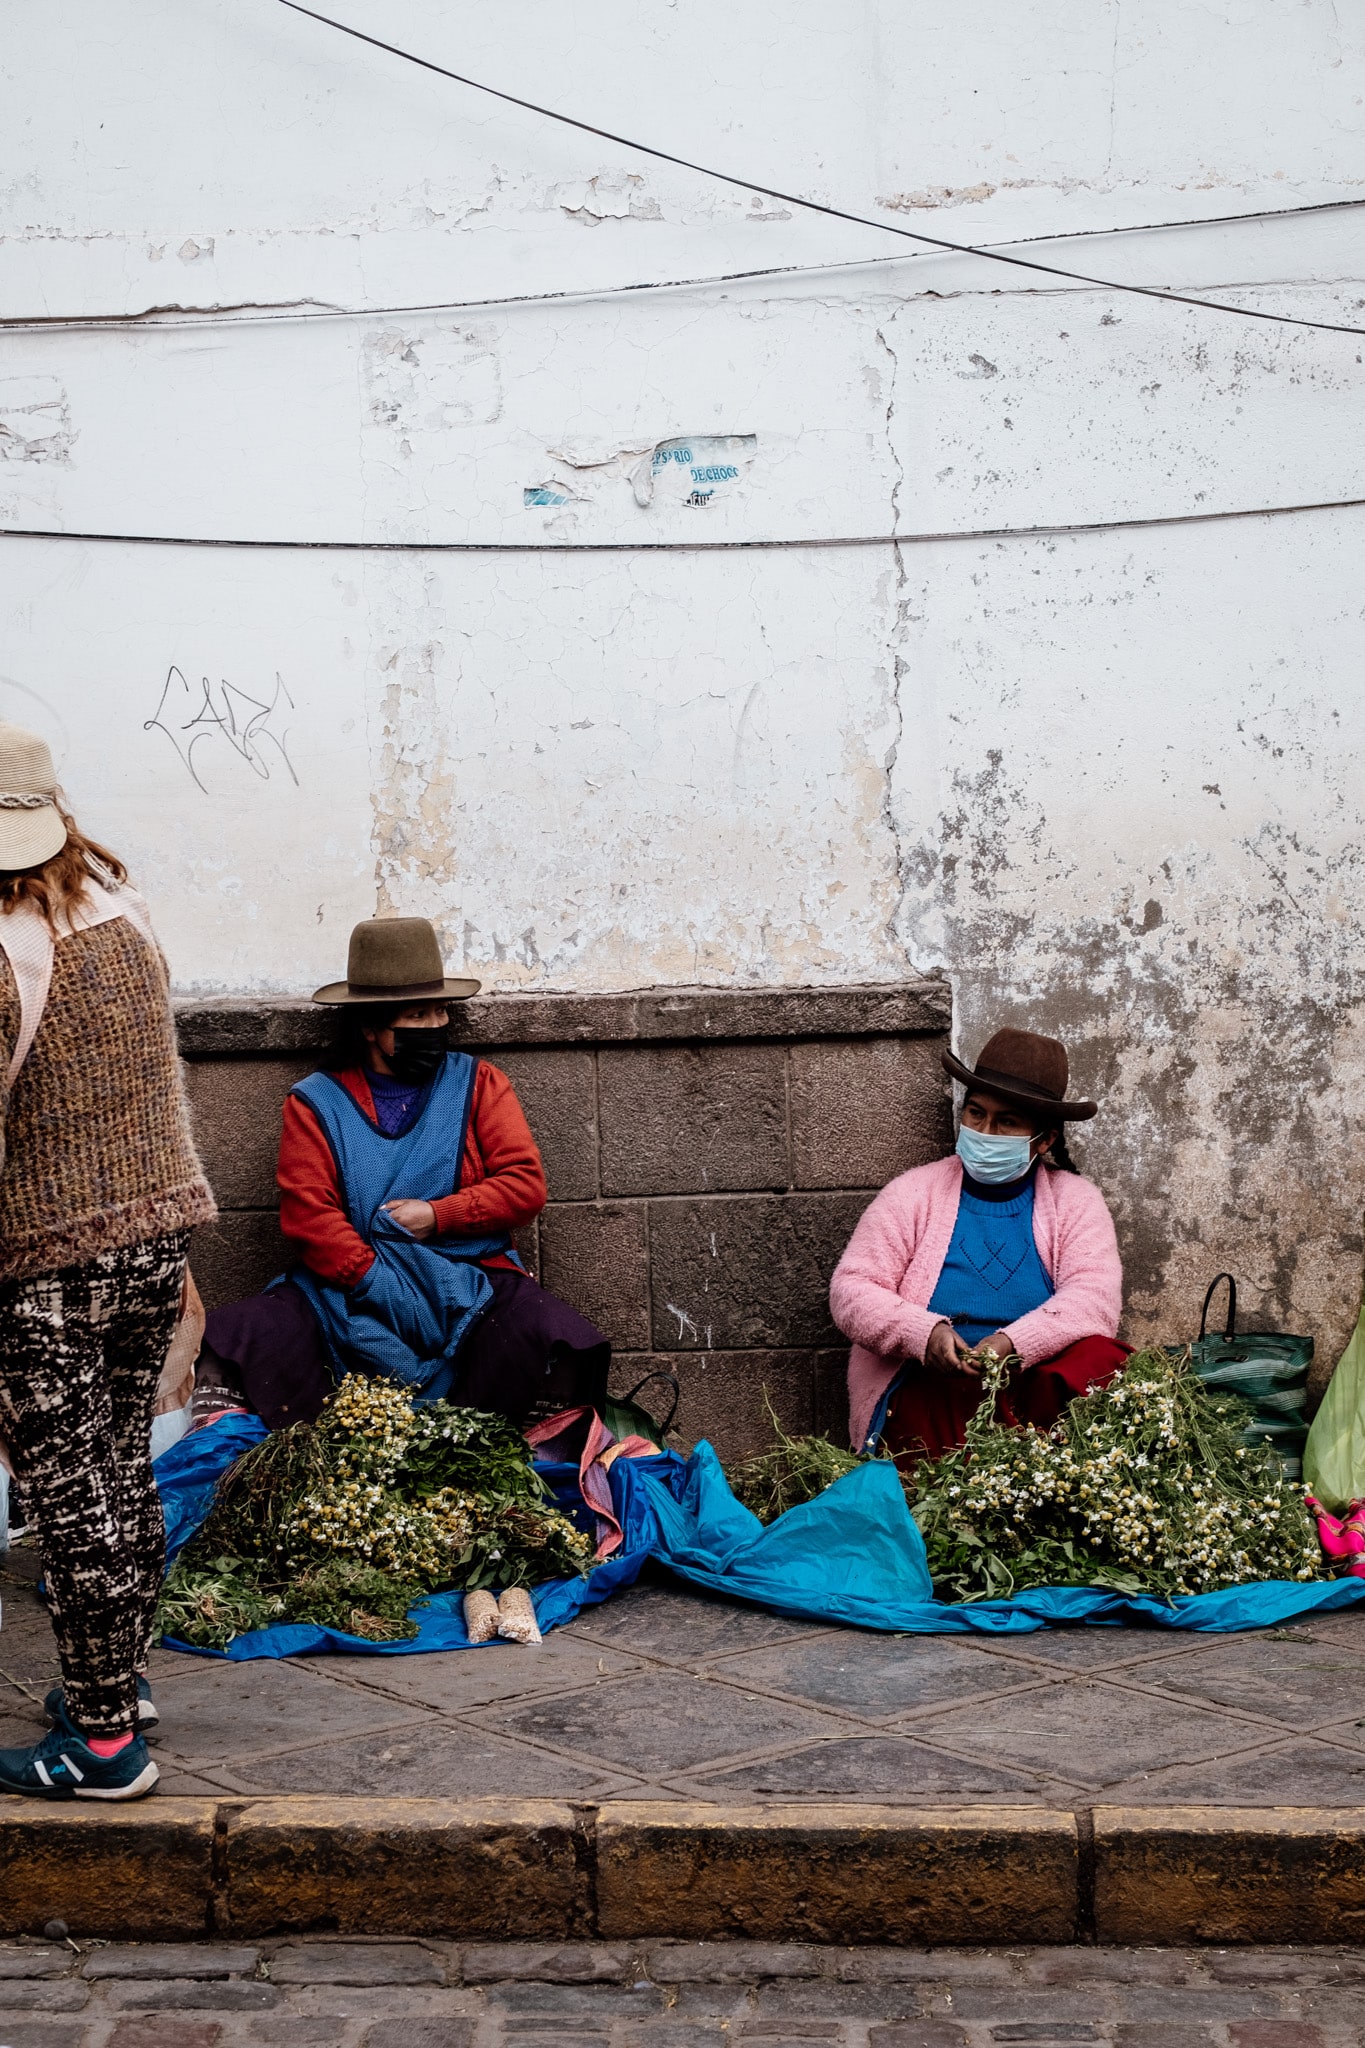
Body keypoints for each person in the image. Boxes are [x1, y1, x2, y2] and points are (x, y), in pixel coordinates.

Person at [0, 722, 215, 1800]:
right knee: (123, 1472)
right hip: (150, 1238)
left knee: (70, 1495)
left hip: (46, 1264)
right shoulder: (120, 920)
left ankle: (100, 1746)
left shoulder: (3, 946)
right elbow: (157, 1090)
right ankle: (119, 1684)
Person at [194, 916, 609, 1438]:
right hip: (348, 1282)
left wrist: (437, 1216)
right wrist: (378, 1284)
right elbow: (309, 1217)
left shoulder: (479, 1084)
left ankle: (515, 1461)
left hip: (469, 1275)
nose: (435, 1025)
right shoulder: (315, 1102)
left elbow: (524, 1185)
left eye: (441, 1011)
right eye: (417, 1014)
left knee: (544, 1332)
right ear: (370, 1026)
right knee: (249, 1333)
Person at [831, 1026, 1126, 1466]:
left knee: (1105, 1358)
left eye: (1006, 1122)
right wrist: (924, 1333)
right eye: (975, 1113)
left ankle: (1043, 1472)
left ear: (1044, 1140)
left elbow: (1094, 1302)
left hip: (1029, 1388)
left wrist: (1011, 1344)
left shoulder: (1075, 1201)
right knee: (939, 1470)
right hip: (933, 1385)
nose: (985, 1132)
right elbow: (852, 1289)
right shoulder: (912, 1194)